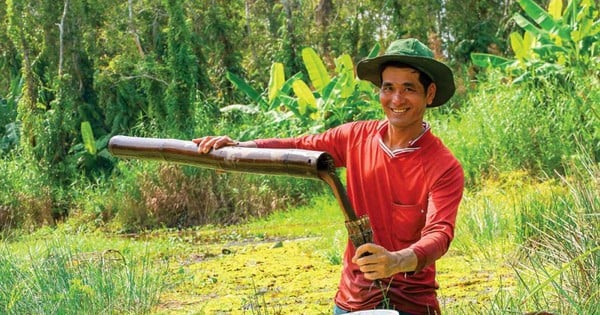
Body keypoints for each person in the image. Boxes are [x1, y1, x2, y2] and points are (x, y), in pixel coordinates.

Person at [193, 38, 464, 315]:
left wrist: (396, 261)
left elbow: (439, 234)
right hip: (354, 300)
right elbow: (299, 145)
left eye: (409, 89)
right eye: (388, 88)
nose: (396, 99)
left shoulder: (443, 165)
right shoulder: (356, 137)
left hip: (412, 304)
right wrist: (240, 146)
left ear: (430, 94)